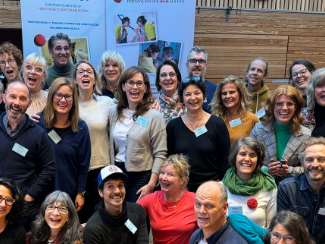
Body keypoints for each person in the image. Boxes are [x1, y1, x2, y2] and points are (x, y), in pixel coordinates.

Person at [0, 81, 56, 230]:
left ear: (29, 102)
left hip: (24, 207)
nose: (17, 103)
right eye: (13, 97)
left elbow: (49, 168)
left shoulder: (38, 133)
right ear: (4, 98)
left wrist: (30, 195)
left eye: (22, 99)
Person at [137, 154, 197, 244]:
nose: (164, 178)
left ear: (182, 180)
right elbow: (130, 215)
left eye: (170, 174)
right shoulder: (152, 199)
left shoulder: (194, 200)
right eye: (162, 173)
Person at [277, 137, 325, 244]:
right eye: (309, 159)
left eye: (321, 159)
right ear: (302, 163)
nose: (315, 164)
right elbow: (284, 229)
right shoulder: (286, 188)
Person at [109, 66, 166, 203]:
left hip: (141, 178)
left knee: (135, 219)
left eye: (139, 83)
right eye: (130, 83)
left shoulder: (154, 116)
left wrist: (152, 184)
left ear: (146, 87)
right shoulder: (114, 112)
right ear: (123, 86)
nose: (135, 87)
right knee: (119, 216)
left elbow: (161, 153)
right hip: (116, 174)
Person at [167, 77, 230, 193]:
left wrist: (221, 184)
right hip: (181, 190)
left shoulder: (218, 124)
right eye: (187, 94)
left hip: (212, 189)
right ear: (182, 99)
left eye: (197, 93)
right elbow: (169, 159)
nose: (193, 98)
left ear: (204, 96)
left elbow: (225, 160)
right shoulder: (173, 126)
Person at [38, 77, 90, 209]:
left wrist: (80, 192)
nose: (63, 100)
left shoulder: (81, 128)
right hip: (40, 193)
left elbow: (83, 164)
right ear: (51, 96)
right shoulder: (38, 123)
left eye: (68, 96)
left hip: (68, 194)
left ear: (73, 100)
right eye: (59, 95)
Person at [74, 61, 114, 223]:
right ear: (74, 79)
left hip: (100, 169)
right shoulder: (67, 103)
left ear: (95, 79)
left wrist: (151, 104)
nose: (85, 74)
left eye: (89, 71)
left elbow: (130, 110)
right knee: (77, 220)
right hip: (75, 171)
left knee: (99, 220)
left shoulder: (107, 102)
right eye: (80, 71)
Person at [250, 85, 311, 183]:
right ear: (272, 106)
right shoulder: (258, 129)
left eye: (290, 104)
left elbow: (309, 167)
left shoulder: (306, 135)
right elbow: (247, 160)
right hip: (261, 186)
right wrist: (266, 170)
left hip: (292, 189)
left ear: (296, 107)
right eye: (279, 103)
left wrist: (289, 170)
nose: (285, 108)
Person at [222, 137, 277, 228]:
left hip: (259, 241)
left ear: (258, 160)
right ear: (234, 158)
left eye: (252, 155)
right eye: (242, 154)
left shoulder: (269, 187)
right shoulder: (220, 188)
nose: (247, 159)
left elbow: (271, 228)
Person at [210, 75, 259, 146]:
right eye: (224, 93)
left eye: (232, 92)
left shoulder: (252, 119)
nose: (228, 96)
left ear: (240, 94)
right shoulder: (215, 120)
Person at [185, 47, 217, 112]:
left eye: (201, 61)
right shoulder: (178, 90)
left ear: (206, 65)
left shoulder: (216, 90)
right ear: (187, 65)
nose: (197, 64)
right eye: (193, 61)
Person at [22, 53, 48, 118]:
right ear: (23, 73)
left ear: (44, 77)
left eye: (38, 69)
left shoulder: (51, 98)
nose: (33, 72)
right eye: (28, 67)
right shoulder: (14, 99)